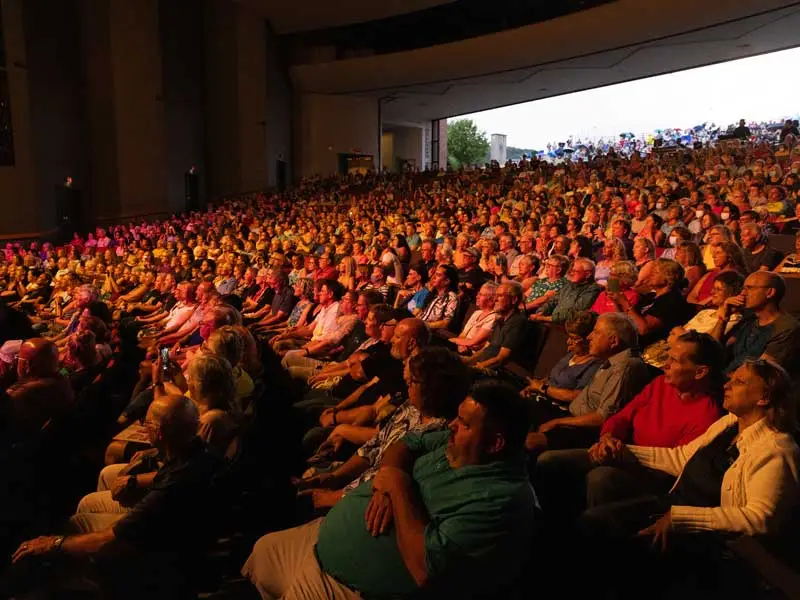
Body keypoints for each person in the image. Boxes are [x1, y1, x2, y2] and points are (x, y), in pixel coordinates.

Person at [242, 381, 537, 599]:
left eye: (464, 424)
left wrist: (397, 487)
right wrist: (390, 476)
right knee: (264, 549)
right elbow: (405, 444)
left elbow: (425, 569)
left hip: (352, 586)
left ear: (495, 444)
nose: (451, 426)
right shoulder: (455, 446)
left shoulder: (500, 500)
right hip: (326, 539)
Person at [11, 394, 222, 599]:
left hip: (163, 556)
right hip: (181, 536)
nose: (144, 426)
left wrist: (54, 543)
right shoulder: (200, 451)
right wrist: (142, 470)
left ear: (158, 432)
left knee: (77, 525)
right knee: (84, 513)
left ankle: (92, 586)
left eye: (146, 423)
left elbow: (110, 540)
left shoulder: (173, 485)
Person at [582, 358, 799, 542]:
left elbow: (760, 518)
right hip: (670, 506)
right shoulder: (730, 423)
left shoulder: (775, 449)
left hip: (698, 534)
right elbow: (682, 457)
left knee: (594, 523)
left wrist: (681, 518)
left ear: (765, 397)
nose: (727, 385)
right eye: (730, 379)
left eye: (739, 382)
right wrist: (622, 451)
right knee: (590, 517)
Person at [535, 331, 724, 518]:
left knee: (600, 479)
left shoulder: (707, 417)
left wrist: (622, 454)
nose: (666, 364)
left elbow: (672, 467)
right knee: (548, 461)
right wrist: (607, 437)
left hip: (647, 474)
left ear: (700, 372)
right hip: (617, 450)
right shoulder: (661, 384)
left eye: (674, 361)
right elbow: (622, 417)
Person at [294, 347, 470, 509]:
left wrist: (332, 497)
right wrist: (335, 477)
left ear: (434, 387)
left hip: (361, 504)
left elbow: (386, 483)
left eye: (412, 382)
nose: (407, 387)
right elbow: (374, 446)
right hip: (351, 486)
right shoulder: (410, 407)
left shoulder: (443, 435)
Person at [525, 313, 650, 452]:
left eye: (596, 332)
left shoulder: (625, 368)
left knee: (529, 442)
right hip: (570, 416)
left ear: (613, 341)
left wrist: (557, 422)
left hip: (585, 431)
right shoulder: (611, 361)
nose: (590, 337)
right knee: (516, 408)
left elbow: (603, 418)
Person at [711, 271, 800, 374]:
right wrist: (724, 318)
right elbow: (712, 350)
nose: (743, 294)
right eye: (743, 289)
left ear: (770, 292)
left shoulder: (787, 328)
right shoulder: (749, 320)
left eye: (749, 288)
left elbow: (757, 374)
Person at [521, 311, 602, 404]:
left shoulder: (595, 364)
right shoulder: (572, 353)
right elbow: (550, 379)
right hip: (540, 398)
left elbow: (577, 396)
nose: (568, 342)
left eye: (574, 338)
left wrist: (542, 388)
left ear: (589, 339)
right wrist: (532, 387)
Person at [464, 281, 527, 372]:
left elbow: (501, 358)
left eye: (500, 296)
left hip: (494, 371)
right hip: (481, 365)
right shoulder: (500, 320)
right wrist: (468, 360)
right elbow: (486, 348)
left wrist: (475, 368)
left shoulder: (518, 322)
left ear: (514, 300)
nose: (495, 300)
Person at [532, 258, 601, 325]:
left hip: (567, 327)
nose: (571, 273)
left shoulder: (592, 289)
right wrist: (542, 311)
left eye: (575, 271)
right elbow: (553, 301)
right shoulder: (569, 284)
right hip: (550, 322)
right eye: (571, 270)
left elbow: (575, 313)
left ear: (587, 274)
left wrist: (545, 318)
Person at [447, 282, 499, 354]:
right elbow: (463, 334)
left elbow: (474, 342)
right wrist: (459, 344)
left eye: (481, 294)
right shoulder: (477, 313)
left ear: (491, 299)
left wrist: (450, 341)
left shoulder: (493, 317)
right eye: (478, 293)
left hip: (472, 354)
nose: (477, 296)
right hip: (461, 346)